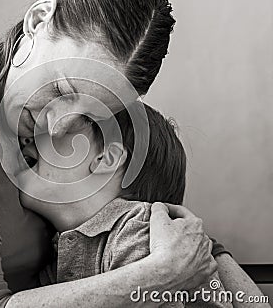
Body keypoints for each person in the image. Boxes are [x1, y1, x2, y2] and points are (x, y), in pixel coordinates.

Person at [0, 0, 258, 308]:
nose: (60, 124)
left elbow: (148, 227)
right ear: (39, 19)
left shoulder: (61, 174)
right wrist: (162, 274)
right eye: (60, 88)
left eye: (91, 112)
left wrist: (197, 252)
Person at [17, 102, 232, 307]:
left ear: (106, 159)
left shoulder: (139, 229)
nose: (27, 139)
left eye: (61, 128)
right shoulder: (59, 249)